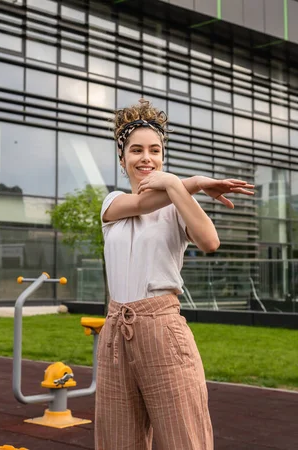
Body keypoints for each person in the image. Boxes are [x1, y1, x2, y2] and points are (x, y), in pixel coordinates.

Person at [94, 99, 254, 450]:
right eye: (136, 150)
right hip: (114, 333)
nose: (146, 158)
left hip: (163, 329)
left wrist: (180, 187)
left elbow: (210, 241)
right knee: (116, 442)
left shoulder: (177, 207)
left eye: (155, 149)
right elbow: (141, 203)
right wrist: (193, 181)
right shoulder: (112, 203)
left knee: (186, 439)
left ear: (163, 155)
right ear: (122, 160)